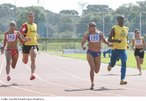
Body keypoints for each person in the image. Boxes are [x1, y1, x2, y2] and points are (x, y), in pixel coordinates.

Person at [81, 22, 109, 90]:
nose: (93, 27)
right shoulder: (87, 34)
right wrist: (83, 46)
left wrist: (109, 44)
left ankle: (92, 80)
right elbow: (82, 42)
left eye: (94, 26)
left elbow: (104, 41)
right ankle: (92, 83)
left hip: (98, 53)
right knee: (92, 68)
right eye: (91, 26)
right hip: (90, 52)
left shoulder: (99, 33)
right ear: (89, 27)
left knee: (97, 70)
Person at [107, 15, 129, 85]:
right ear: (117, 20)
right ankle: (110, 64)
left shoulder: (126, 28)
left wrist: (127, 44)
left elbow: (126, 38)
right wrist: (116, 40)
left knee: (124, 62)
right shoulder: (114, 28)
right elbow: (109, 39)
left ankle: (122, 79)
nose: (122, 20)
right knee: (113, 64)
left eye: (123, 19)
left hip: (123, 49)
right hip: (115, 49)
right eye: (120, 19)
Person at [20, 12, 39, 80]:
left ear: (34, 18)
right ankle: (23, 58)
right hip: (26, 45)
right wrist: (25, 38)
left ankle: (32, 74)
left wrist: (36, 35)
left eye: (32, 17)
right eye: (29, 17)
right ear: (28, 17)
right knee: (25, 61)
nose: (31, 18)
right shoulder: (25, 25)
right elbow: (21, 34)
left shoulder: (35, 25)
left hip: (33, 44)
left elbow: (34, 32)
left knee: (33, 59)